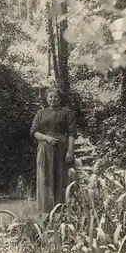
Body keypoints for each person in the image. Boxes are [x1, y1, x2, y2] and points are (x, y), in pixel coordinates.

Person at [30, 86, 76, 220]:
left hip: (62, 149)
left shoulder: (67, 112)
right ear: (46, 98)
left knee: (61, 178)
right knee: (45, 178)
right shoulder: (40, 113)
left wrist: (70, 151)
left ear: (60, 98)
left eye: (56, 96)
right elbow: (34, 132)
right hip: (45, 149)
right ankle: (46, 213)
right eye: (50, 96)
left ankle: (62, 212)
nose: (53, 99)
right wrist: (46, 138)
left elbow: (72, 133)